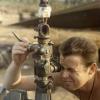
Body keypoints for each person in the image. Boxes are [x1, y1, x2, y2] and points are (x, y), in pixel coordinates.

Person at [2, 36, 100, 100]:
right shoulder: (64, 77)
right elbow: (13, 84)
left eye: (71, 70)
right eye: (61, 67)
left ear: (91, 69)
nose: (64, 75)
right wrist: (16, 63)